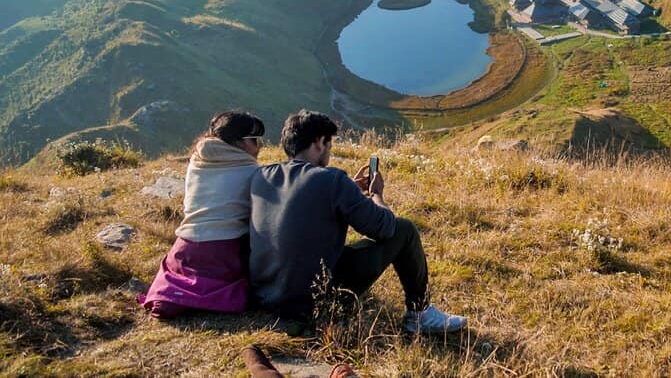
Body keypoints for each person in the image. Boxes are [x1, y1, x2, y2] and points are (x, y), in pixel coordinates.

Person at [248, 110, 466, 335]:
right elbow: (384, 227)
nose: (329, 152)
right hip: (312, 302)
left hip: (265, 296)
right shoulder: (331, 180)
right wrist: (377, 195)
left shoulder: (262, 176)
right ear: (319, 143)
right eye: (329, 145)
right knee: (405, 229)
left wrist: (350, 188)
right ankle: (419, 314)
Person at [139, 111, 265, 319]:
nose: (259, 146)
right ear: (238, 142)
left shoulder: (196, 163)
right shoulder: (250, 170)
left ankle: (176, 294)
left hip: (184, 250)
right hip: (225, 252)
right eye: (255, 140)